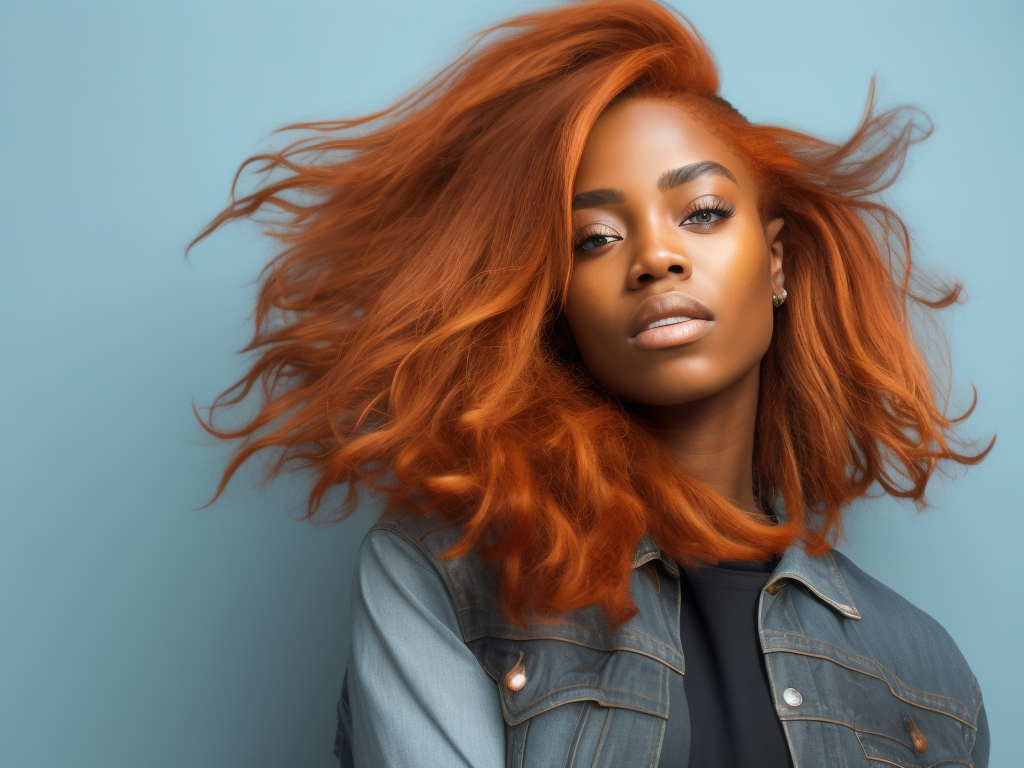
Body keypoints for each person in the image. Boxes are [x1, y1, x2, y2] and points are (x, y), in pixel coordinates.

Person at [188, 1, 993, 765]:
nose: (656, 257)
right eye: (596, 238)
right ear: (556, 301)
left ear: (776, 262)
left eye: (703, 212)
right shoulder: (445, 575)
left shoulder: (925, 676)